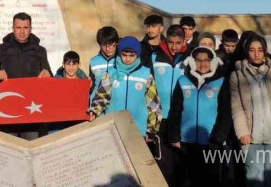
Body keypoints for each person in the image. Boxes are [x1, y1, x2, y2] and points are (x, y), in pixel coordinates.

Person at [230, 34, 271, 187]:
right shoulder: (238, 76)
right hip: (252, 138)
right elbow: (237, 107)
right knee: (254, 179)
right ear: (247, 52)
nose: (256, 54)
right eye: (252, 50)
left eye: (260, 50)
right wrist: (243, 132)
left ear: (265, 51)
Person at [169, 46, 231, 187]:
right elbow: (175, 111)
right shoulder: (182, 81)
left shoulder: (221, 82)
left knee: (209, 180)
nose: (203, 64)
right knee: (185, 180)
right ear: (192, 62)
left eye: (207, 60)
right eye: (198, 60)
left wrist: (217, 139)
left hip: (210, 143)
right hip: (185, 143)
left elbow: (225, 113)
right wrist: (174, 136)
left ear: (213, 62)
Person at [88, 37, 162, 142]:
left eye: (132, 55)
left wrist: (151, 129)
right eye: (124, 55)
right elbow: (102, 95)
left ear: (138, 55)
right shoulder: (111, 72)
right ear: (120, 54)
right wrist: (94, 111)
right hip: (114, 127)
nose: (128, 59)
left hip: (138, 128)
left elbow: (154, 103)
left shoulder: (145, 74)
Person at [151, 24, 189, 186]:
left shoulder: (190, 58)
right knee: (163, 162)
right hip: (161, 117)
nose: (174, 47)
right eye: (171, 42)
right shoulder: (154, 57)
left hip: (182, 118)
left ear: (184, 40)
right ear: (166, 40)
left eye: (178, 43)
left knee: (181, 162)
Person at [0, 13, 52, 84]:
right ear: (13, 28)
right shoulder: (1, 49)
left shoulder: (40, 50)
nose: (22, 32)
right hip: (9, 93)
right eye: (18, 27)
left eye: (25, 27)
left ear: (30, 29)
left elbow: (49, 74)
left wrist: (48, 75)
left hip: (32, 93)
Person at [89, 26, 119, 104]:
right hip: (97, 105)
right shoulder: (93, 61)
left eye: (110, 44)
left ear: (116, 42)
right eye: (104, 45)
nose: (107, 49)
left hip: (116, 105)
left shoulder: (121, 60)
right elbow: (91, 85)